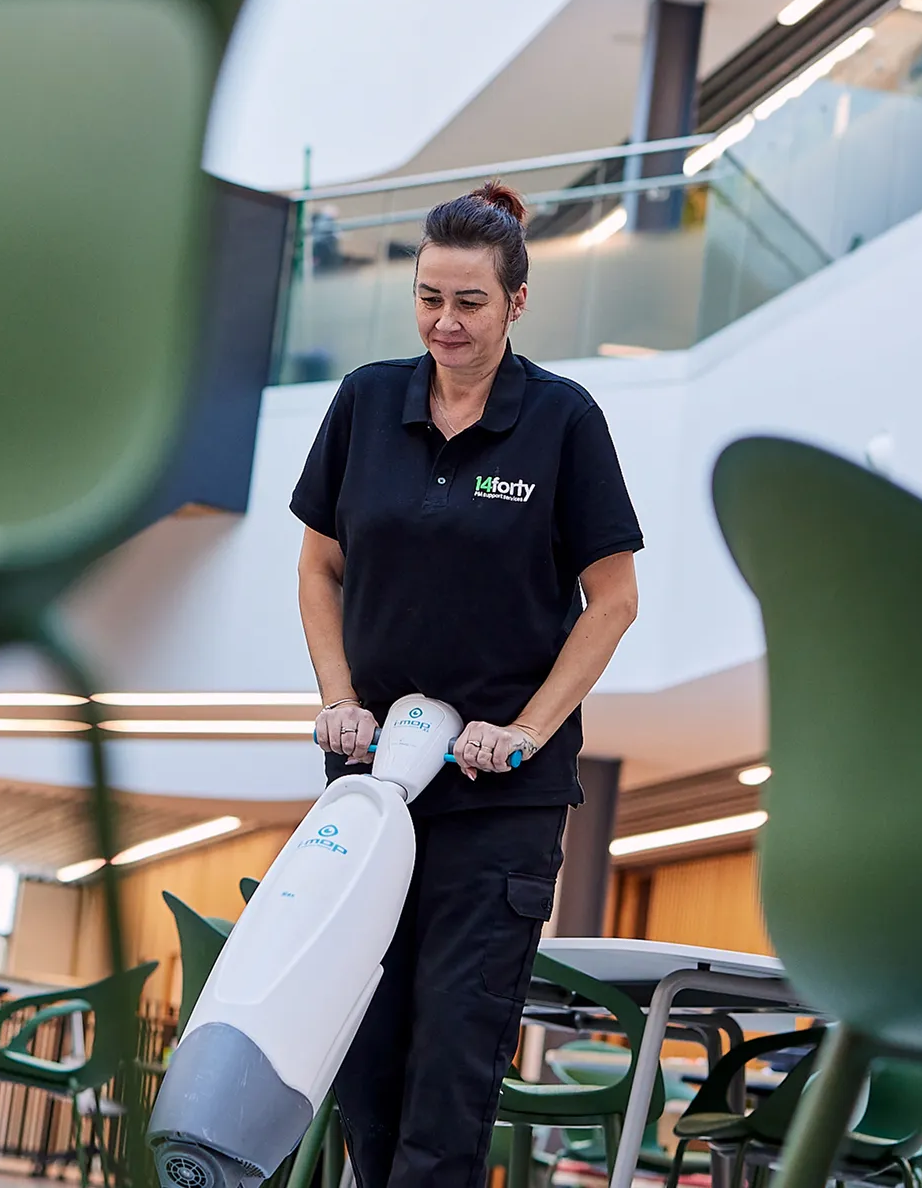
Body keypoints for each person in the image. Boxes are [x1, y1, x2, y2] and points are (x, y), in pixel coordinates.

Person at [291, 181, 643, 1188]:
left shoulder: (562, 421)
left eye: (471, 303)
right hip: (372, 788)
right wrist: (338, 697)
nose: (445, 322)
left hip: (497, 804)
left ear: (517, 302)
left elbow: (613, 601)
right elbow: (319, 567)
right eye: (429, 298)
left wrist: (525, 730)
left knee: (449, 1073)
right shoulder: (366, 403)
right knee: (364, 1062)